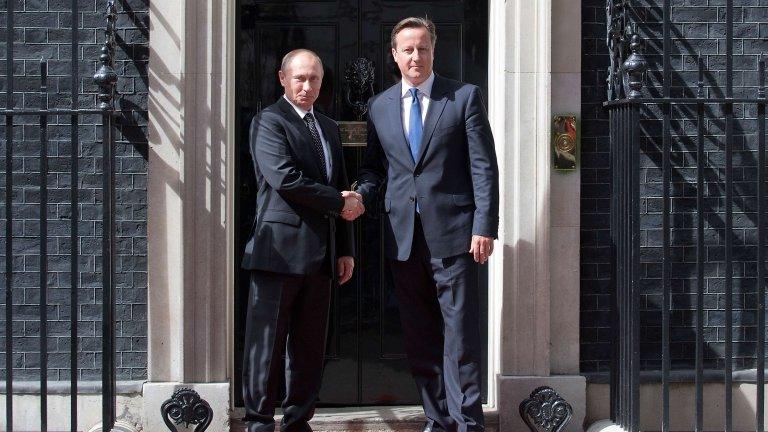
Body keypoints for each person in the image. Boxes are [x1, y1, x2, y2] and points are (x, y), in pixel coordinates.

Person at [355, 17, 499, 432]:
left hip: (455, 235)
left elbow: (483, 168)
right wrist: (359, 195)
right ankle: (438, 419)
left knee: (460, 337)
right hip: (403, 238)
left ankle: (466, 421)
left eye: (422, 48)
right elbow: (373, 169)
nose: (415, 56)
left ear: (433, 51)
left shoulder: (464, 97)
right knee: (419, 336)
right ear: (394, 55)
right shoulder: (378, 106)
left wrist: (484, 225)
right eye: (408, 49)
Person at [241, 48, 364, 432]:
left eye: (314, 79)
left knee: (309, 347)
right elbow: (285, 179)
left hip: (322, 255)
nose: (307, 86)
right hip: (278, 253)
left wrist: (345, 248)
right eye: (300, 78)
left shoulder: (327, 127)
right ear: (282, 78)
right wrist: (340, 202)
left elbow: (338, 183)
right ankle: (259, 421)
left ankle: (298, 421)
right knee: (267, 345)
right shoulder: (268, 122)